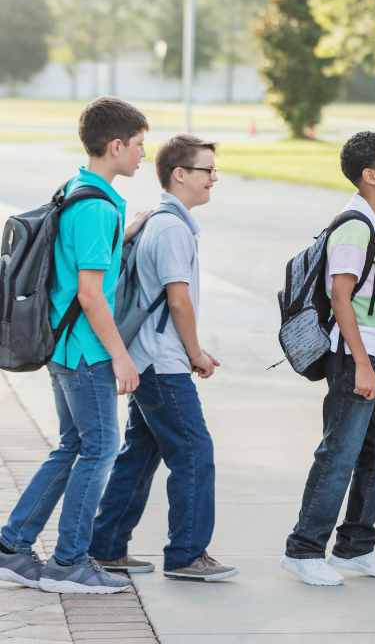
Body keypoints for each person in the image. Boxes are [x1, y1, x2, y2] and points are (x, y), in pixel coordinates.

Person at [0, 97, 147, 594]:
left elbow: (81, 263)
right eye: (140, 145)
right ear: (116, 145)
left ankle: (13, 546)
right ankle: (68, 563)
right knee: (100, 448)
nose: (144, 155)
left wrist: (127, 230)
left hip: (62, 348)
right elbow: (90, 294)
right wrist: (121, 357)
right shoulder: (97, 207)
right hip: (87, 352)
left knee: (72, 446)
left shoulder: (77, 190)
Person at [89, 134, 237, 582]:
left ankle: (107, 546)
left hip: (150, 359)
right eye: (207, 170)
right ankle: (187, 554)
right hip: (163, 363)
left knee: (139, 455)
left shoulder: (161, 221)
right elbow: (178, 301)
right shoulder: (172, 228)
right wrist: (196, 354)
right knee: (194, 453)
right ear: (180, 174)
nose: (214, 178)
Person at [281, 131, 375, 587]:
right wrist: (360, 362)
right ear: (370, 176)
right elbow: (341, 298)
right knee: (339, 454)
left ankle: (356, 548)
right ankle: (304, 549)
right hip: (353, 358)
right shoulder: (355, 226)